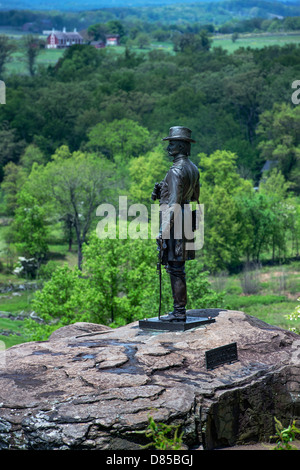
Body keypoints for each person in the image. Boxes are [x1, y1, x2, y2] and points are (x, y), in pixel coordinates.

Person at [152, 126, 200, 322]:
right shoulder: (194, 168)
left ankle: (179, 312)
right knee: (178, 267)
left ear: (181, 146)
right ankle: (179, 310)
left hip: (175, 222)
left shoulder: (175, 170)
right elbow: (195, 196)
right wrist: (164, 188)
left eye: (171, 144)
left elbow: (172, 204)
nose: (168, 147)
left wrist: (163, 231)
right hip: (186, 217)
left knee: (175, 268)